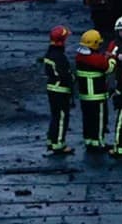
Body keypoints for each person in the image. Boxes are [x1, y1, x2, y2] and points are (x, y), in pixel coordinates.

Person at [72, 28, 114, 152]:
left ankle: (89, 141)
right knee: (99, 120)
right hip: (97, 96)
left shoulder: (80, 57)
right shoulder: (97, 59)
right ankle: (98, 143)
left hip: (84, 96)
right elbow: (109, 68)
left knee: (88, 119)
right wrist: (111, 59)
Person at [37, 25, 74, 155]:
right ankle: (59, 144)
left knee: (55, 116)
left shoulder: (49, 54)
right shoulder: (60, 57)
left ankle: (51, 140)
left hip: (52, 88)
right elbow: (66, 75)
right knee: (62, 117)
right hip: (61, 90)